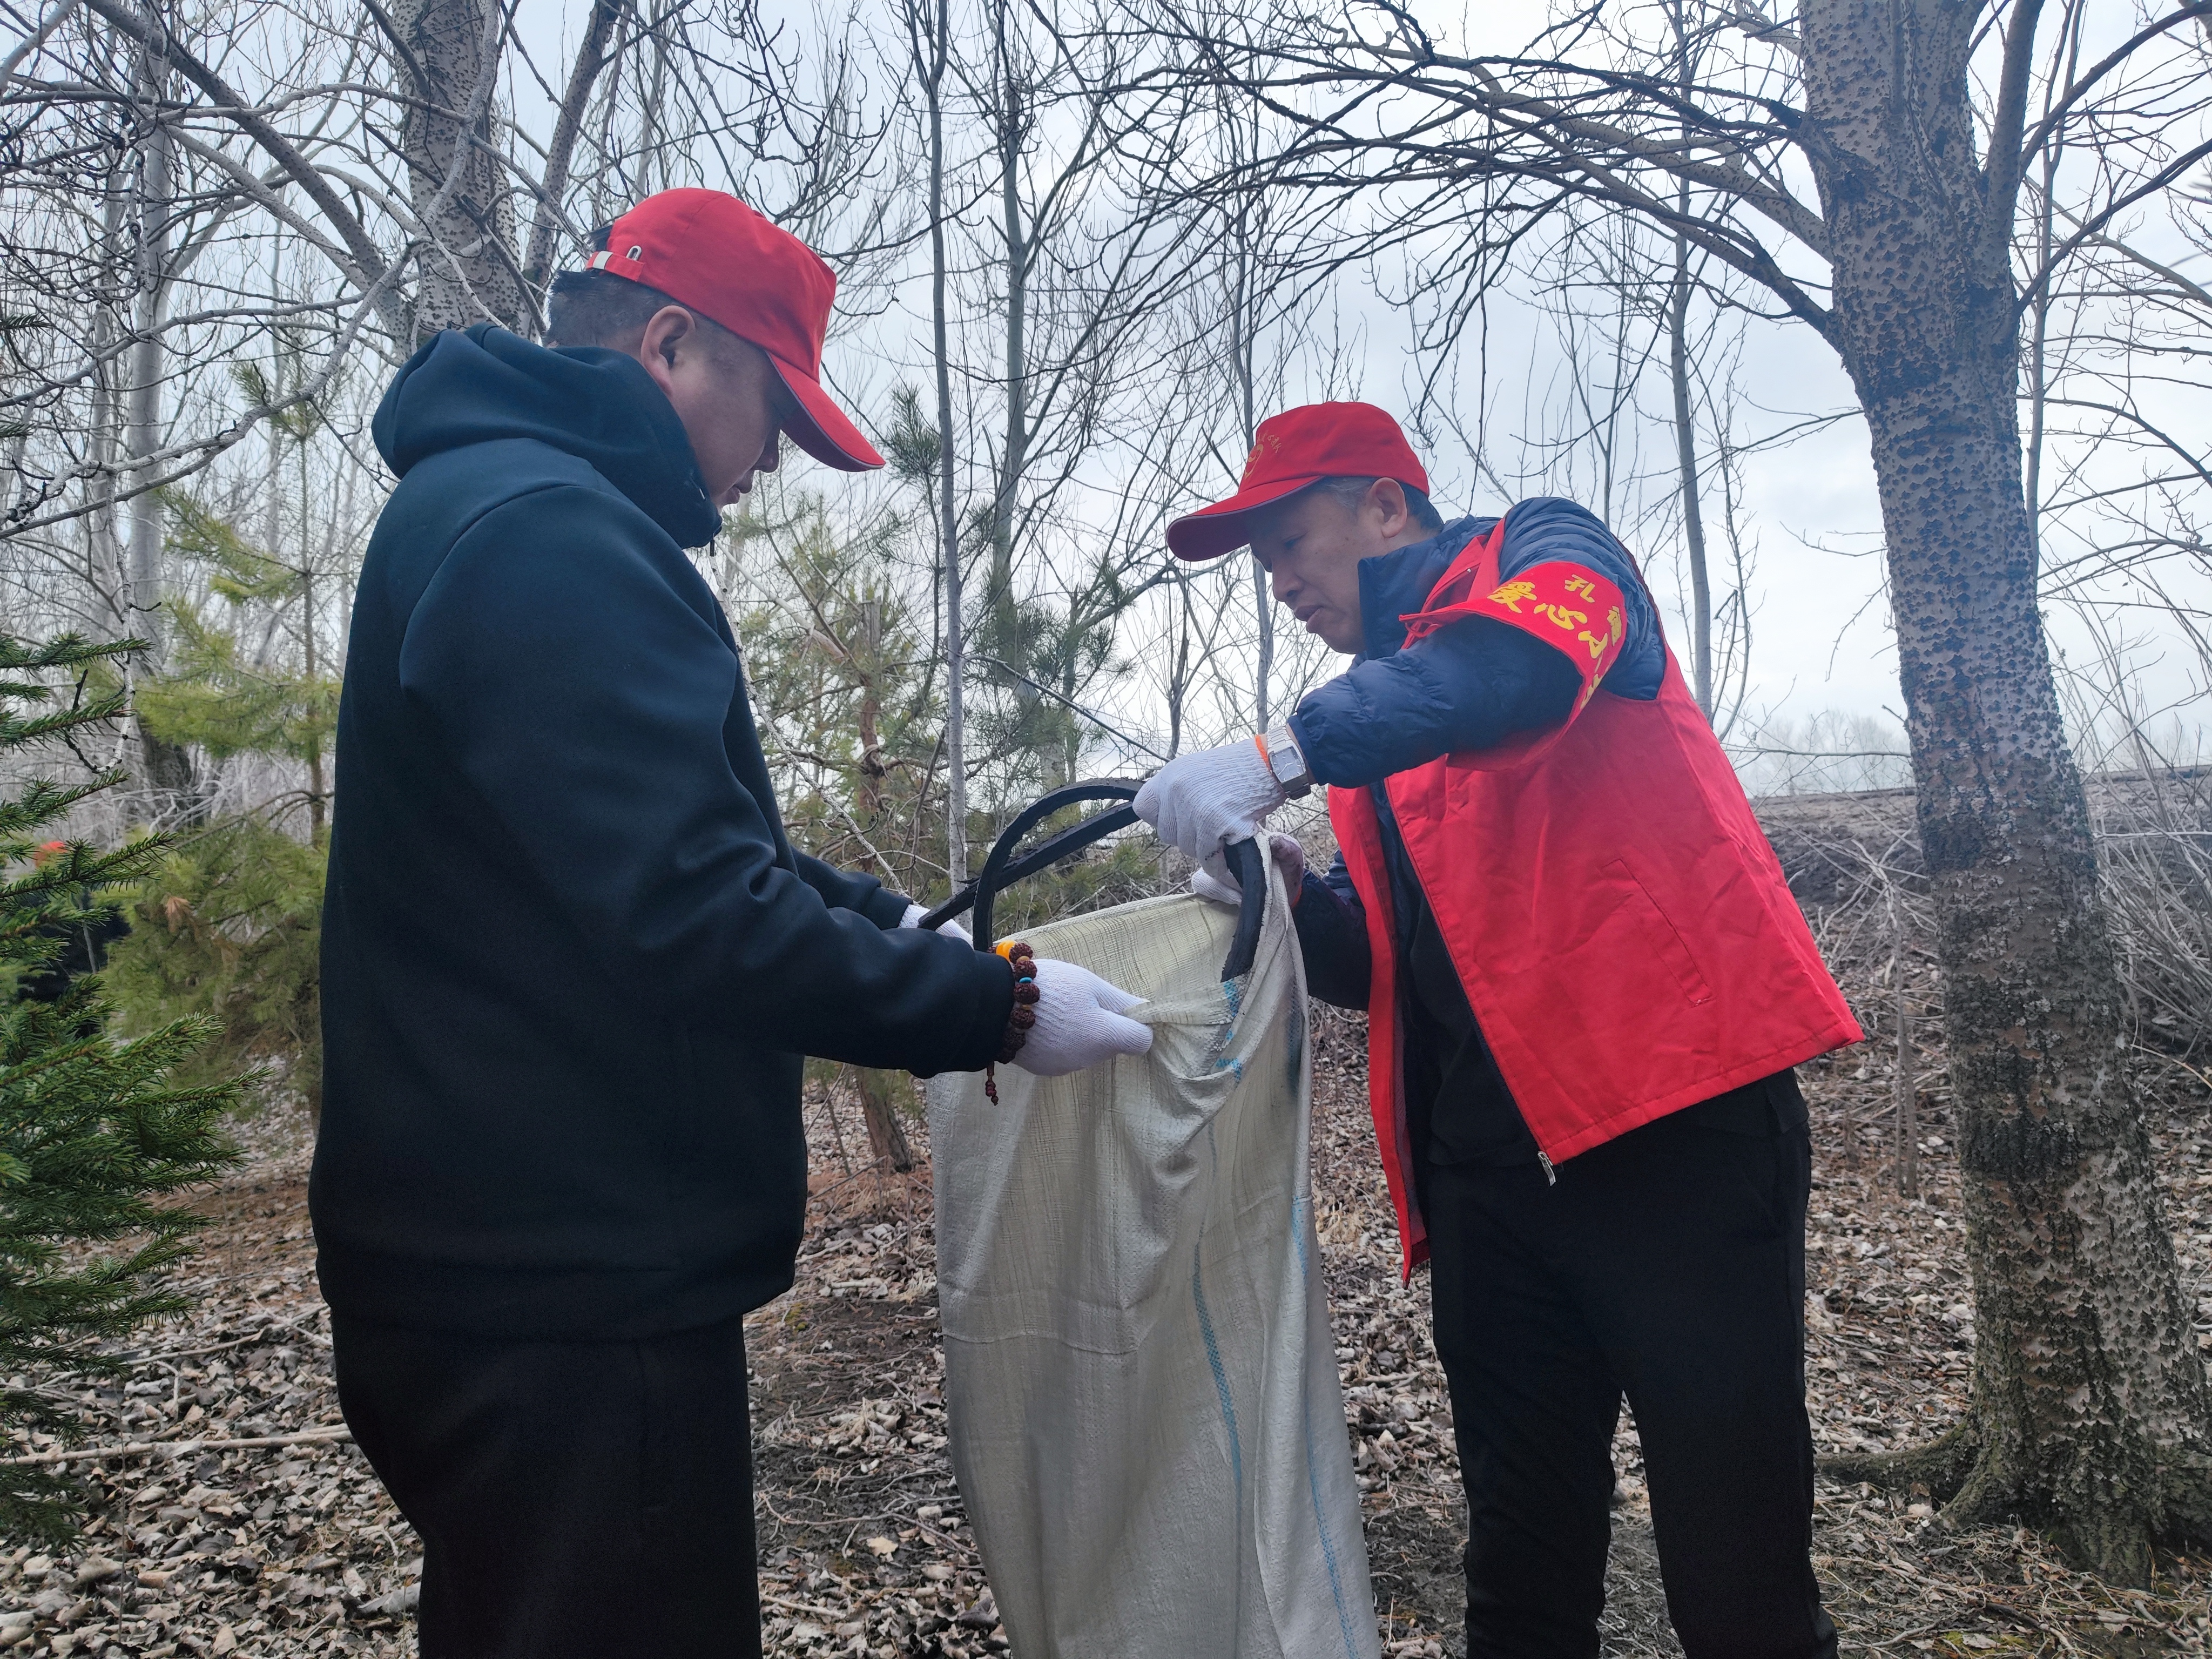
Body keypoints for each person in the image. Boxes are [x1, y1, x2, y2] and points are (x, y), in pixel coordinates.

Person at [312, 188, 1152, 1659]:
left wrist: (894, 917)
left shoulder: (494, 503)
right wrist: (995, 1012)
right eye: (773, 410)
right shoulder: (550, 538)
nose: (774, 460)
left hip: (505, 1268)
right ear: (672, 342)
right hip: (560, 1299)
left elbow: (689, 848)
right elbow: (696, 912)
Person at [1135, 401, 1862, 1659]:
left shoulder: (1548, 558)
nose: (1283, 583)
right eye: (1263, 566)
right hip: (1488, 1190)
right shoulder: (1384, 720)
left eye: (1292, 542)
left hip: (1673, 1142)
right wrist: (1287, 901)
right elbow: (1398, 967)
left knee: (1733, 1565)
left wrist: (1283, 749)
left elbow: (1518, 670)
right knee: (1520, 1560)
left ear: (1383, 504)